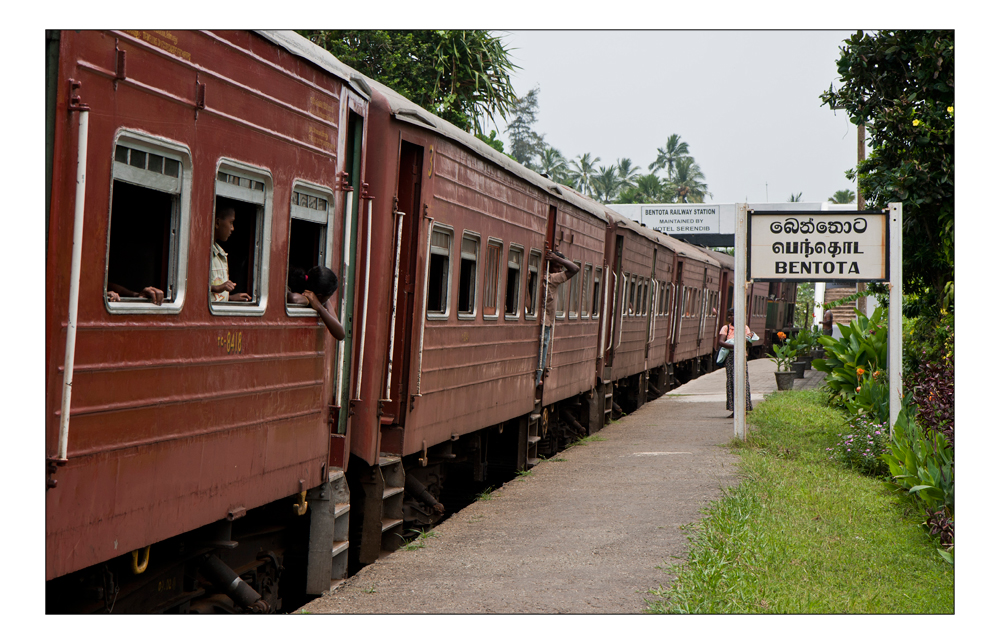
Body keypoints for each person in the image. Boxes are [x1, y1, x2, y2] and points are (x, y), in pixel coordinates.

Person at [536, 249, 580, 387]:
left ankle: (537, 379)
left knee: (541, 356)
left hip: (545, 323)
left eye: (561, 268)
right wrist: (558, 259)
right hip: (545, 325)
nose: (559, 270)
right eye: (557, 267)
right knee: (541, 357)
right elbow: (575, 269)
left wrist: (557, 259)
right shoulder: (551, 279)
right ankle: (537, 380)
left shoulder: (548, 278)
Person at [287, 266, 346, 341]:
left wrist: (319, 307)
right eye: (328, 297)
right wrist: (311, 302)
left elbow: (340, 333)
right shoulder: (306, 294)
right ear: (319, 296)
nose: (328, 300)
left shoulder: (320, 298)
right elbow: (293, 298)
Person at [210, 205, 252, 303]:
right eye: (231, 222)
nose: (232, 228)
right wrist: (216, 288)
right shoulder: (204, 252)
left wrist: (230, 298)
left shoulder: (221, 254)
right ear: (217, 223)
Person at [718, 308, 754, 417]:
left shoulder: (745, 328)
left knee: (743, 381)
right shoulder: (726, 328)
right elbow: (720, 342)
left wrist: (748, 339)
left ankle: (745, 408)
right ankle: (734, 409)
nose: (729, 317)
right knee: (731, 382)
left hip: (741, 357)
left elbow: (749, 343)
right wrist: (735, 346)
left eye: (731, 315)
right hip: (730, 358)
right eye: (728, 315)